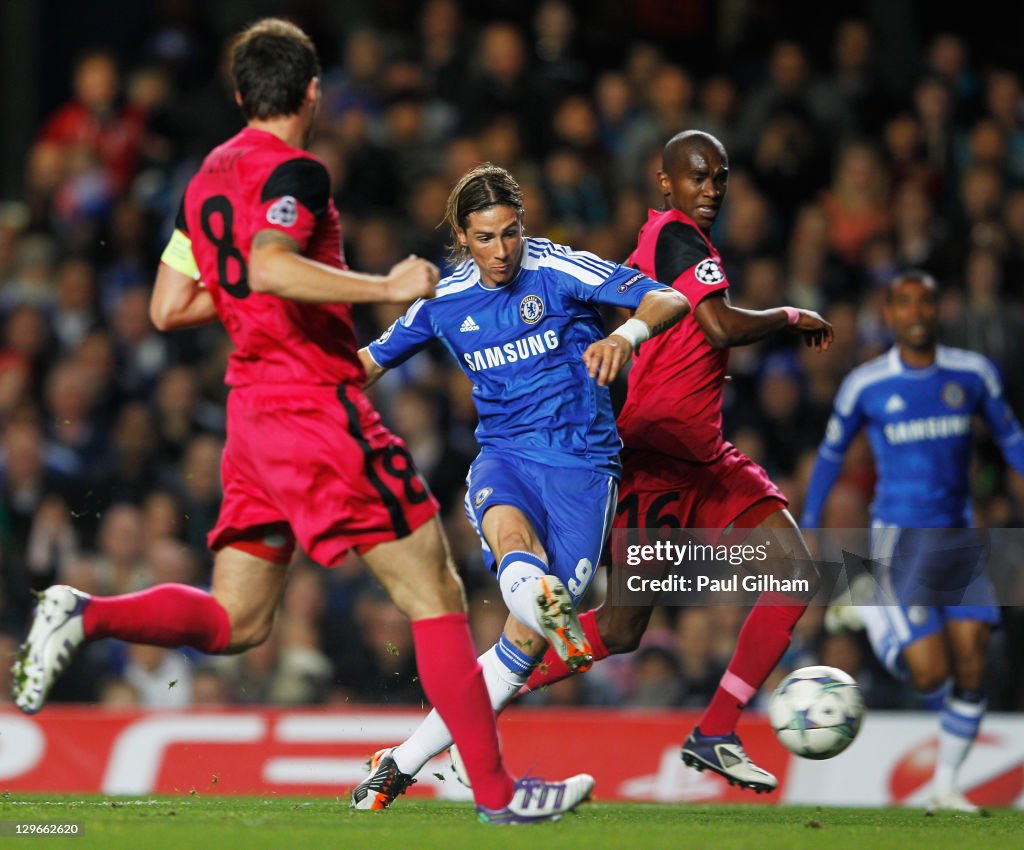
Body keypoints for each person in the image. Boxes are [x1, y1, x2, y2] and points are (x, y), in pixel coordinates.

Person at [11, 19, 593, 826]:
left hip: (249, 415)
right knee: (434, 589)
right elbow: (269, 265)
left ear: (243, 94)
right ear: (312, 90)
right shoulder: (299, 172)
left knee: (237, 621)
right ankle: (498, 797)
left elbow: (170, 304)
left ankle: (85, 611)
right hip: (314, 406)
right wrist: (386, 286)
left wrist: (255, 287)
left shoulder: (206, 179)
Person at [349, 163, 689, 809]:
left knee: (522, 645)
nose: (502, 251)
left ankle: (399, 763)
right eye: (485, 237)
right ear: (460, 235)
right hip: (505, 456)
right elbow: (367, 363)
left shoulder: (559, 268)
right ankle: (537, 592)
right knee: (511, 536)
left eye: (511, 233)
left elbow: (668, 298)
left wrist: (625, 333)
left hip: (584, 469)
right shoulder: (444, 301)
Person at [504, 130, 834, 793]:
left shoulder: (670, 248)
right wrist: (789, 313)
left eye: (719, 177)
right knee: (623, 627)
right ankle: (480, 697)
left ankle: (715, 731)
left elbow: (683, 334)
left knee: (795, 572)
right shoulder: (677, 235)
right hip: (656, 457)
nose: (710, 189)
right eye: (698, 177)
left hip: (705, 457)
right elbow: (718, 325)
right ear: (666, 183)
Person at [801, 269, 1024, 813]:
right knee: (930, 672)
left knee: (973, 663)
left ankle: (946, 784)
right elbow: (831, 455)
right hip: (898, 540)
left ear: (937, 310)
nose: (917, 313)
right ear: (890, 313)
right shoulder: (868, 384)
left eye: (926, 303)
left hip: (957, 540)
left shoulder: (972, 375)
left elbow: (1011, 437)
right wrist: (808, 522)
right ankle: (868, 604)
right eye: (905, 304)